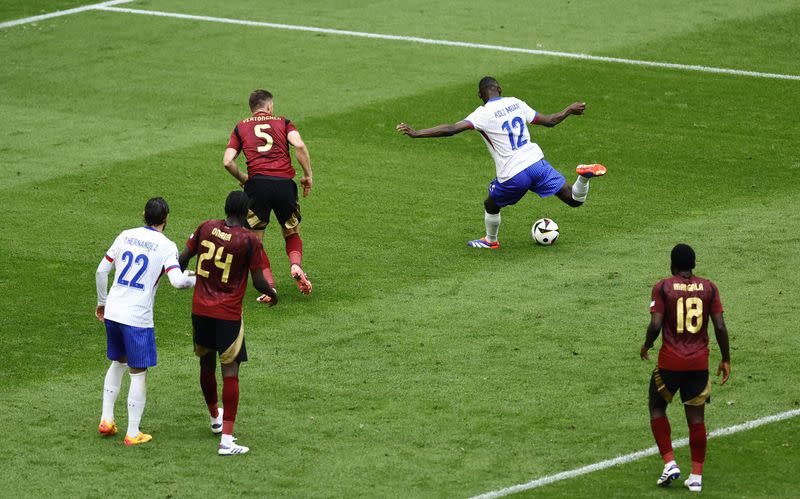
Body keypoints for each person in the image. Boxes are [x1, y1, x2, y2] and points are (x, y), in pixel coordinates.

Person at [396, 76, 606, 249]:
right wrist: (569, 109)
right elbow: (550, 121)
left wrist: (417, 133)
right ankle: (582, 177)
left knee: (491, 204)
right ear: (500, 88)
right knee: (574, 199)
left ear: (480, 96)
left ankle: (491, 241)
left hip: (514, 173)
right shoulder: (516, 102)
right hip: (536, 163)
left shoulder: (482, 113)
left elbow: (451, 129)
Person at [179, 191, 279, 456]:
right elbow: (258, 281)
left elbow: (181, 259)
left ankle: (214, 417)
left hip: (200, 310)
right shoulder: (248, 240)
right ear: (247, 212)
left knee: (205, 364)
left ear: (225, 208)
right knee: (230, 372)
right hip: (227, 315)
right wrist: (273, 292)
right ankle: (226, 440)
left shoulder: (206, 227)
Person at [95, 197, 196, 446]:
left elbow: (101, 271)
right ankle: (132, 432)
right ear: (166, 219)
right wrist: (196, 280)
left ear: (144, 215)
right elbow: (177, 281)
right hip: (137, 317)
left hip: (114, 311)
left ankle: (106, 420)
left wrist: (102, 302)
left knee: (117, 362)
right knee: (138, 373)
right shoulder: (166, 245)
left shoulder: (125, 235)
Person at [640, 244, 731, 493]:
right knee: (696, 418)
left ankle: (669, 463)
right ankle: (696, 477)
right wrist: (725, 358)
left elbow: (655, 325)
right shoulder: (709, 288)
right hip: (698, 363)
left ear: (672, 265)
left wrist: (647, 345)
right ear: (694, 264)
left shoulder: (663, 287)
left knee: (657, 407)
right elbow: (720, 327)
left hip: (670, 362)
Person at [223, 89, 313, 295]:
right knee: (291, 230)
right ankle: (295, 265)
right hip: (284, 184)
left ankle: (269, 286)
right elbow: (298, 144)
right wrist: (308, 175)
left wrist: (244, 179)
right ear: (269, 107)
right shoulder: (283, 122)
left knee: (255, 239)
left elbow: (227, 161)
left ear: (252, 109)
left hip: (257, 186)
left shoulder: (241, 127)